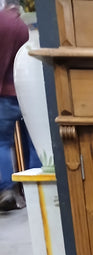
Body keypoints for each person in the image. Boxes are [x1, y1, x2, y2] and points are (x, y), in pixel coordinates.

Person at [0, 0, 36, 211]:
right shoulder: (24, 27)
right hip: (25, 91)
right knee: (32, 142)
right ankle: (33, 188)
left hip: (5, 93)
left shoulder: (2, 22)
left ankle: (6, 189)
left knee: (2, 143)